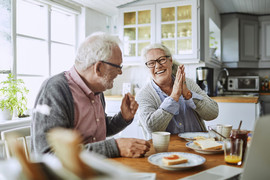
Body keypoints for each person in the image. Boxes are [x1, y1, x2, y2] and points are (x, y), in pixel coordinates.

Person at [31, 32, 150, 158]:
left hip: (95, 169)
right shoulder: (55, 90)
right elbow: (47, 154)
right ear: (98, 68)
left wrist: (123, 118)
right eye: (117, 67)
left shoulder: (97, 89)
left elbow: (98, 131)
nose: (120, 72)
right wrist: (115, 147)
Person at [136, 43, 219, 139]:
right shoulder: (143, 95)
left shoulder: (188, 83)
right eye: (151, 63)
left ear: (170, 61)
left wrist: (188, 95)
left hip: (198, 145)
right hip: (166, 152)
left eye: (162, 60)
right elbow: (152, 128)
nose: (158, 66)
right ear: (147, 67)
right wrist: (174, 97)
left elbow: (213, 113)